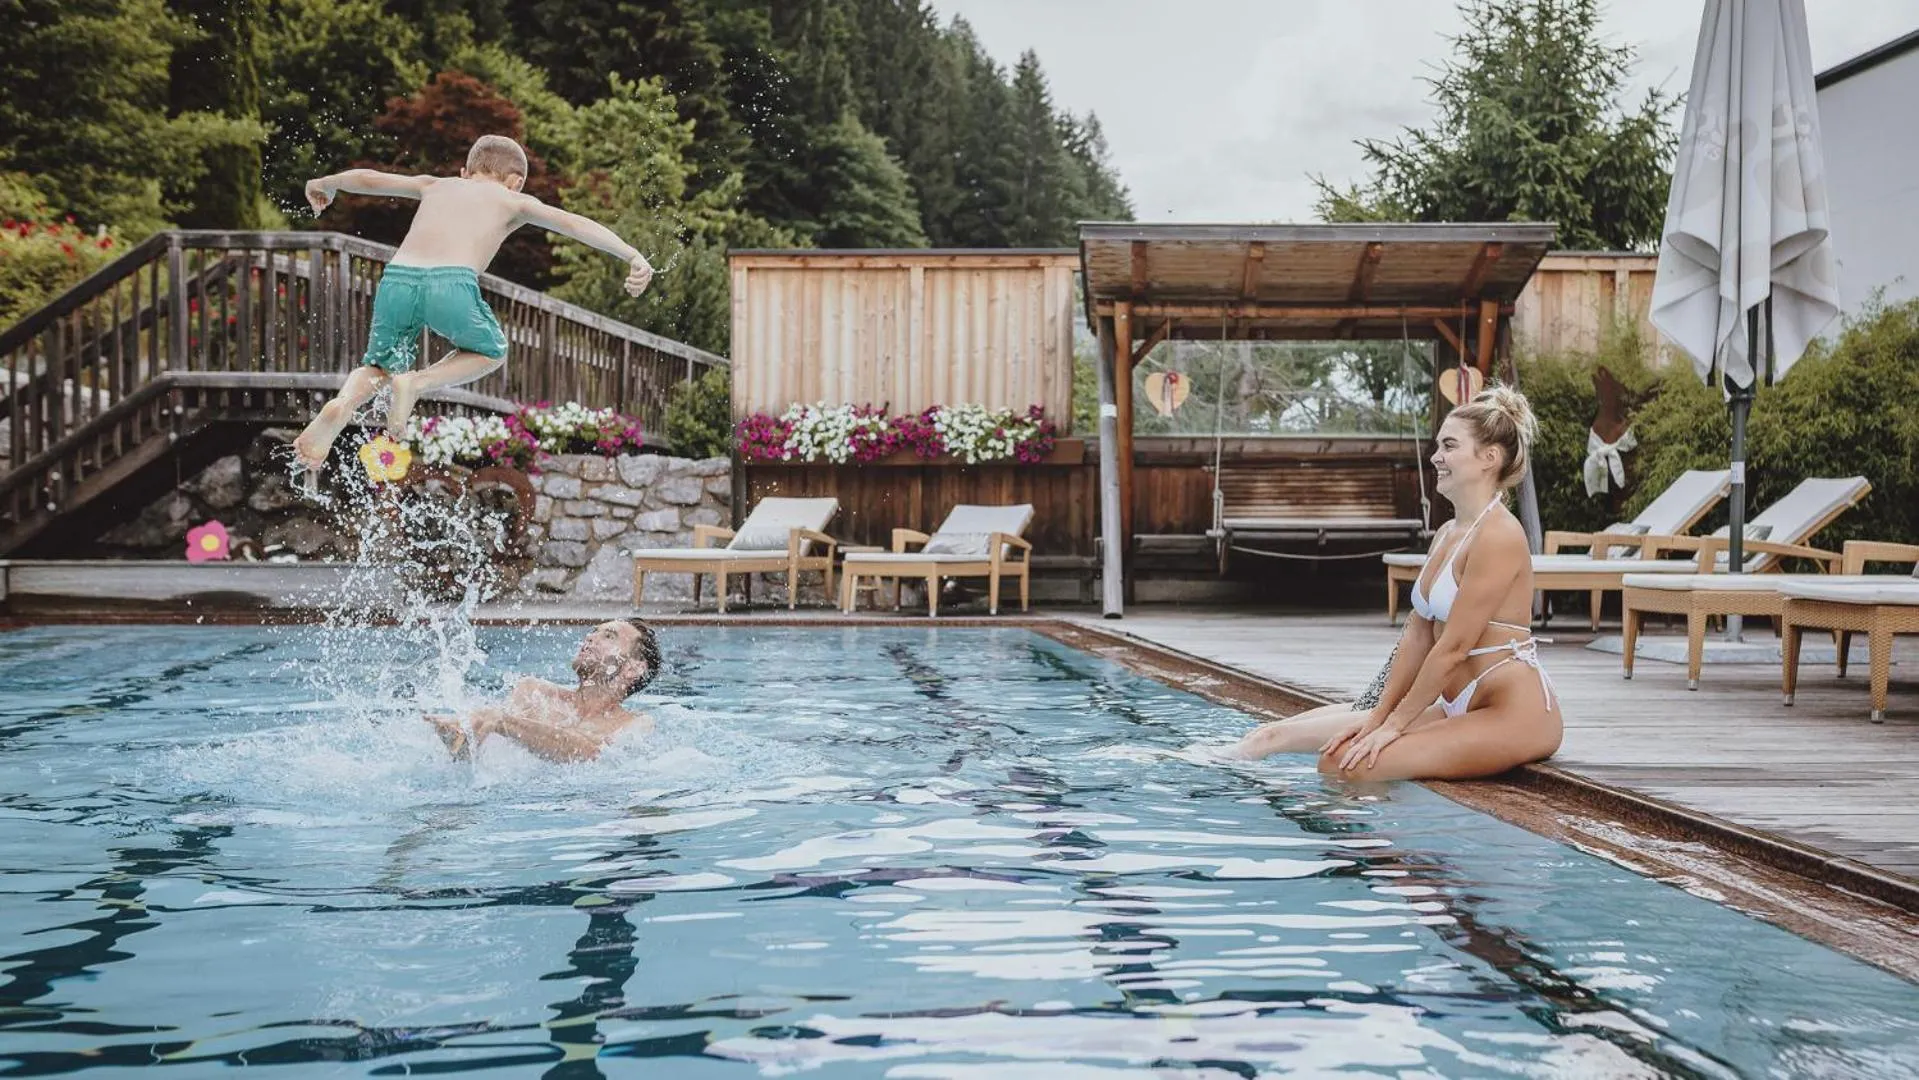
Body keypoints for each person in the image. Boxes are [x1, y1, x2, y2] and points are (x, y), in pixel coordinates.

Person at [1235, 385, 1562, 781]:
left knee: (1345, 765)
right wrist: (1379, 716)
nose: (1436, 457)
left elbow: (1454, 647)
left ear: (1488, 459)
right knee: (1301, 743)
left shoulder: (1499, 535)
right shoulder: (1447, 533)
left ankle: (1391, 845)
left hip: (1511, 712)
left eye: (1449, 446)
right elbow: (1418, 635)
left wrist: (1394, 726)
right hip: (1456, 701)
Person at [292, 135, 654, 473]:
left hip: (398, 278)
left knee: (379, 365)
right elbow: (573, 224)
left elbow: (371, 179)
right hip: (451, 282)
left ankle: (342, 404)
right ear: (515, 181)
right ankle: (417, 383)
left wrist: (327, 182)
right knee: (491, 351)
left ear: (465, 172)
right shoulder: (514, 200)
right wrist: (632, 254)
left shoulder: (436, 184)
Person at [425, 619, 663, 763]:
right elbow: (488, 762)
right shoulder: (533, 692)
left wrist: (502, 721)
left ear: (634, 668)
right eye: (593, 631)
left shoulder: (637, 724)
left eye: (608, 636)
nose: (590, 638)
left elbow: (594, 757)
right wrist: (458, 740)